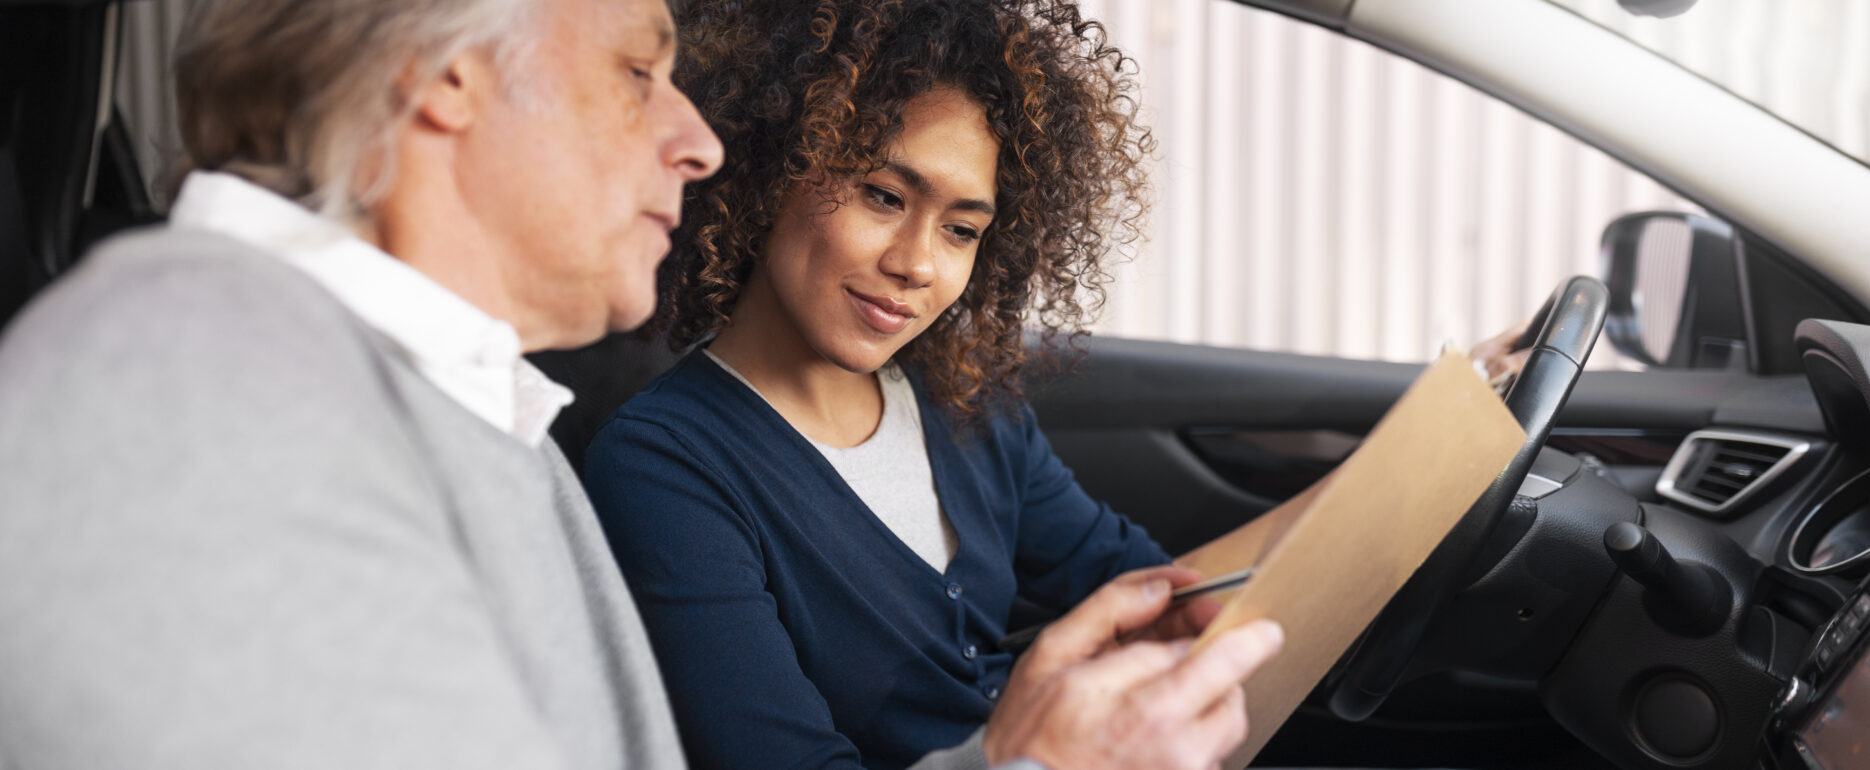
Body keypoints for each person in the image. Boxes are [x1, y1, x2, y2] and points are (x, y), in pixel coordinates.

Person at [0, 0, 1282, 769]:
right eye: (634, 68)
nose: (701, 138)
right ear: (448, 69)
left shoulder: (467, 420)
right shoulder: (191, 391)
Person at [583, 1, 1286, 768]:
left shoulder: (963, 403)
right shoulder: (663, 468)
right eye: (883, 196)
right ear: (771, 170)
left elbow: (1137, 583)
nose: (917, 264)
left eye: (960, 230)